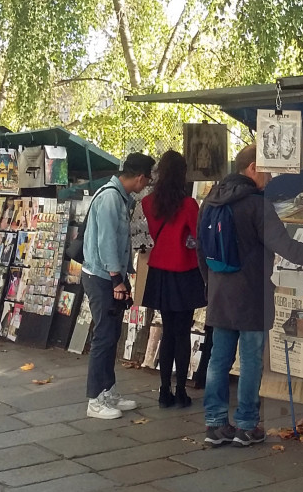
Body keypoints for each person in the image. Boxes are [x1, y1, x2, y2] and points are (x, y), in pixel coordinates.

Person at [198, 144, 303, 446]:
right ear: (253, 167)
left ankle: (215, 424)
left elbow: (201, 252)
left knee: (219, 359)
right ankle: (246, 425)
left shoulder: (210, 202)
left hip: (219, 292)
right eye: (268, 172)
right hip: (252, 293)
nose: (270, 180)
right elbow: (287, 247)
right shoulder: (256, 204)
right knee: (251, 358)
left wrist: (210, 286)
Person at [82, 152, 155, 420]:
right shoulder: (111, 198)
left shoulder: (117, 196)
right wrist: (117, 280)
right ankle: (94, 398)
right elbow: (106, 242)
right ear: (139, 177)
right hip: (102, 277)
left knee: (111, 335)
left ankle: (108, 390)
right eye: (146, 180)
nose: (145, 185)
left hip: (108, 275)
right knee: (104, 336)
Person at [141, 151, 208, 409]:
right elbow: (197, 238)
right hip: (185, 271)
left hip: (160, 272)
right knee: (183, 332)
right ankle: (181, 390)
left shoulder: (148, 203)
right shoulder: (190, 205)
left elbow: (155, 234)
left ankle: (163, 391)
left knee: (168, 331)